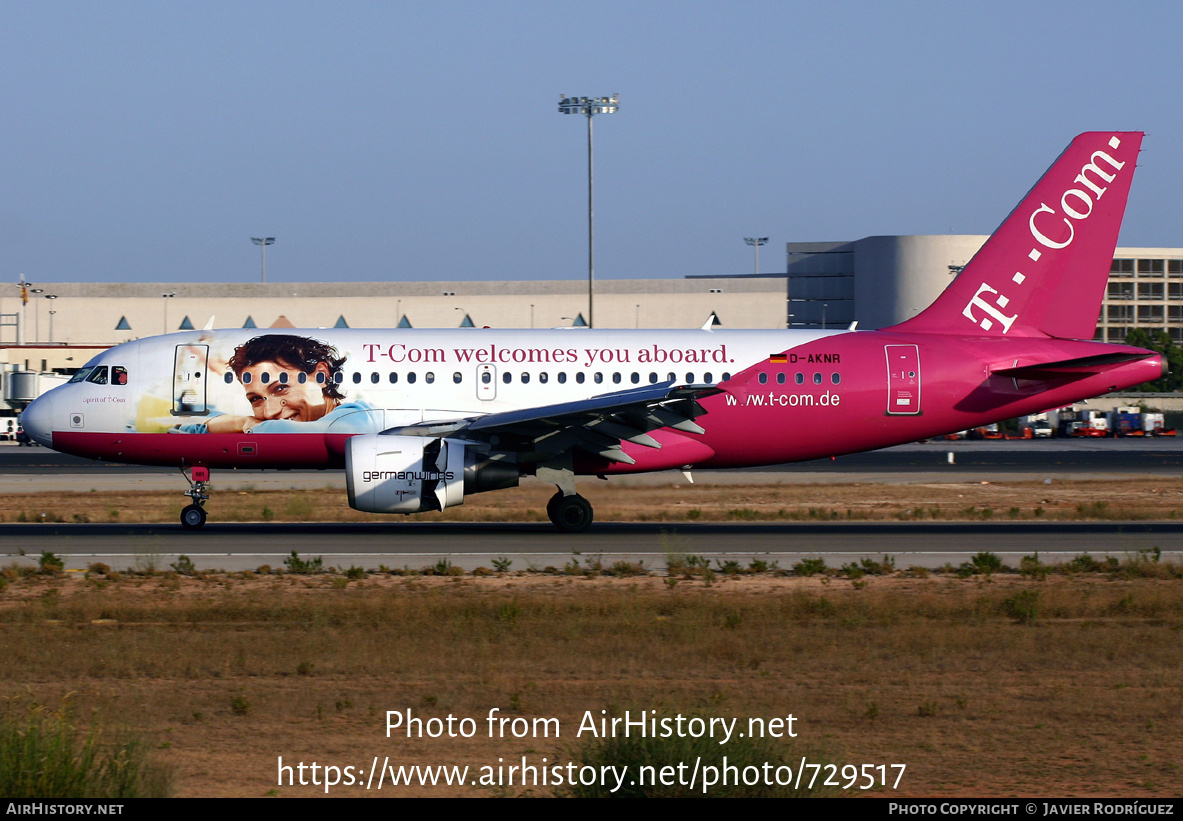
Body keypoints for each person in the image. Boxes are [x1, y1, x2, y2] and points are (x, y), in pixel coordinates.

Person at [173, 334, 375, 434]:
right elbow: (189, 432)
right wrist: (238, 422)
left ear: (320, 375)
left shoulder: (357, 417)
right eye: (256, 399)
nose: (269, 413)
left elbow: (278, 431)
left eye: (280, 388)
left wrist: (245, 424)